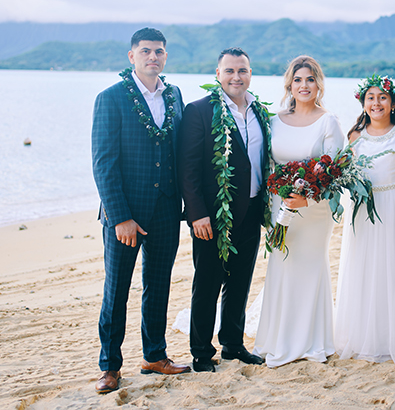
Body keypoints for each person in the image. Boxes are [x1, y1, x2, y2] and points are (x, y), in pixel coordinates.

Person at [91, 28, 189, 394]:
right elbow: (103, 163)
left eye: (159, 52)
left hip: (166, 209)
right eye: (145, 51)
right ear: (131, 56)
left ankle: (154, 355)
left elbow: (180, 152)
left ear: (165, 56)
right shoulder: (111, 98)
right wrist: (119, 217)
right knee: (116, 290)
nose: (153, 57)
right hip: (126, 214)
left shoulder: (176, 95)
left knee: (158, 285)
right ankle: (109, 366)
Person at [177, 47, 272, 372]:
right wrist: (197, 213)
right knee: (207, 284)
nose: (236, 77)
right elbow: (187, 169)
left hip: (252, 210)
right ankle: (202, 352)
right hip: (214, 217)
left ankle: (233, 345)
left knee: (240, 282)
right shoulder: (199, 111)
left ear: (250, 73)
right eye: (230, 71)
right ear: (218, 74)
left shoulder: (259, 111)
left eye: (242, 71)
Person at [252, 55, 343, 367]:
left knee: (309, 266)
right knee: (282, 264)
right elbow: (267, 165)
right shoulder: (274, 120)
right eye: (298, 79)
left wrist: (309, 198)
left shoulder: (329, 121)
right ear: (289, 84)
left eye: (310, 79)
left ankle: (311, 341)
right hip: (281, 205)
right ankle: (279, 338)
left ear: (318, 84)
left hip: (314, 210)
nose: (304, 85)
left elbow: (337, 172)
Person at [334, 75, 395, 363]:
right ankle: (361, 336)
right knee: (363, 269)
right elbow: (345, 174)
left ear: (393, 103)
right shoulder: (354, 136)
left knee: (392, 271)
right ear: (363, 102)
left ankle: (392, 336)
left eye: (382, 97)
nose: (376, 103)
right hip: (362, 211)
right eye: (371, 97)